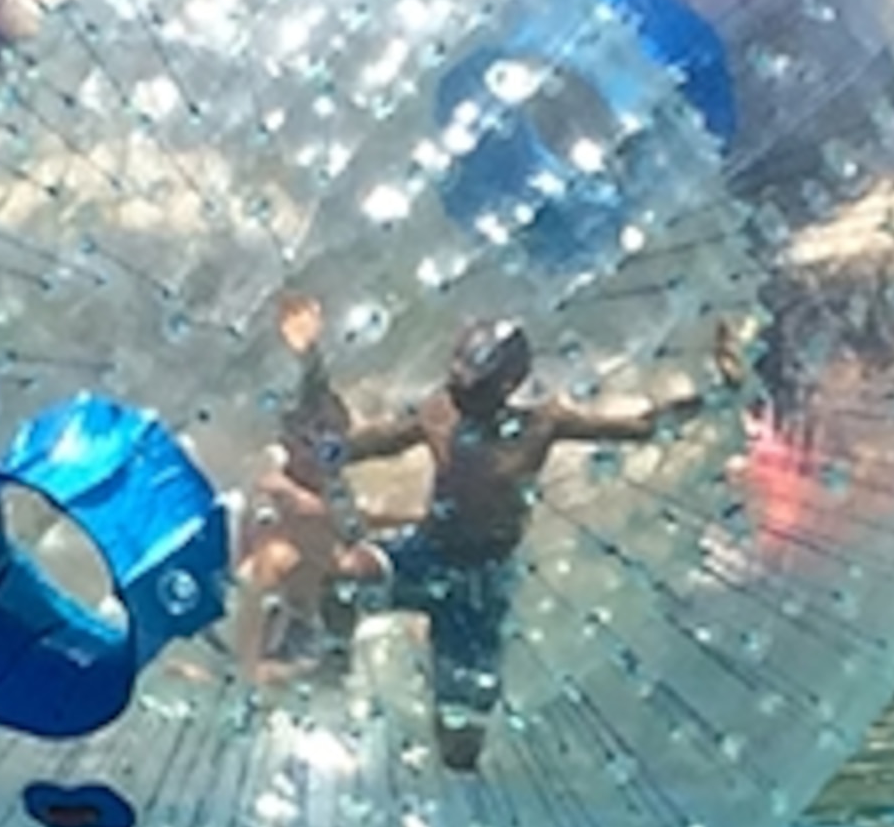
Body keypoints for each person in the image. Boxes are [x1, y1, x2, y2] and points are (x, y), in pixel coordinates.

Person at [338, 318, 718, 771]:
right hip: (427, 552)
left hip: (482, 580)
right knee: (345, 575)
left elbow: (638, 426)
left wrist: (711, 396)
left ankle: (462, 792)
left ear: (509, 384)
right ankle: (315, 673)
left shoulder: (542, 424)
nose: (461, 400)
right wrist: (321, 451)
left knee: (461, 741)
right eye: (457, 385)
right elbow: (384, 441)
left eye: (473, 391)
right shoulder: (439, 412)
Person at [232, 294, 388, 682]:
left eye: (334, 435)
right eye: (315, 436)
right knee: (274, 564)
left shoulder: (331, 484)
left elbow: (349, 527)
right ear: (291, 440)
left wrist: (310, 356)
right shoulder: (276, 482)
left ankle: (329, 663)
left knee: (351, 566)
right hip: (273, 610)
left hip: (313, 612)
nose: (327, 444)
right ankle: (250, 666)